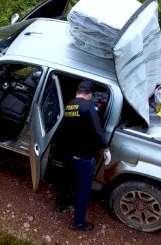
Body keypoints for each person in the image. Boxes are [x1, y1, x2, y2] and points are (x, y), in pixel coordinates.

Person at [54, 80, 111, 231]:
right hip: (83, 156)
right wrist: (105, 149)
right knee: (83, 189)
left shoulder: (69, 104)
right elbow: (98, 130)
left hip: (69, 153)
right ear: (90, 94)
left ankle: (61, 204)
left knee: (66, 180)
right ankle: (78, 222)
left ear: (77, 92)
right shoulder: (89, 107)